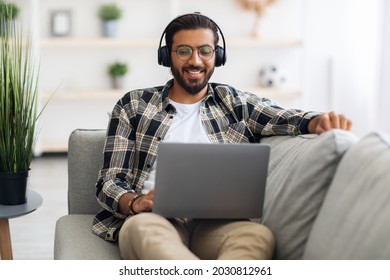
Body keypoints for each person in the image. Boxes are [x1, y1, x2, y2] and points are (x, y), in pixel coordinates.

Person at [92, 13, 352, 260]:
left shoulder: (235, 102)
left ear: (218, 55)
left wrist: (317, 121)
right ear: (166, 56)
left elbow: (288, 118)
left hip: (217, 224)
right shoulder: (134, 105)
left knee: (256, 235)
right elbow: (109, 182)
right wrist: (136, 202)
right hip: (154, 219)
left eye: (205, 51)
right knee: (141, 231)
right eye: (184, 51)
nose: (195, 61)